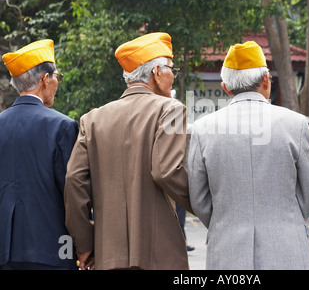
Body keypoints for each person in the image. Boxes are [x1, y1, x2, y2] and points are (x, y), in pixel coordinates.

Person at [188, 41, 309, 270]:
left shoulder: (203, 128)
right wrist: (285, 219)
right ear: (266, 80)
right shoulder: (296, 124)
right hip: (287, 249)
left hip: (227, 251)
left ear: (226, 88)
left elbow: (199, 199)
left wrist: (225, 222)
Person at [64, 32, 193, 270]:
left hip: (106, 256)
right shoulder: (172, 110)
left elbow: (74, 180)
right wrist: (204, 204)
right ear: (156, 72)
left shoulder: (92, 119)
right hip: (158, 257)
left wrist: (85, 243)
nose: (173, 78)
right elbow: (166, 172)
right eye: (171, 71)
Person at [0, 39, 79, 270]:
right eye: (57, 77)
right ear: (46, 79)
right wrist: (86, 246)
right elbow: (73, 194)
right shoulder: (62, 126)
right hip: (52, 252)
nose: (57, 83)